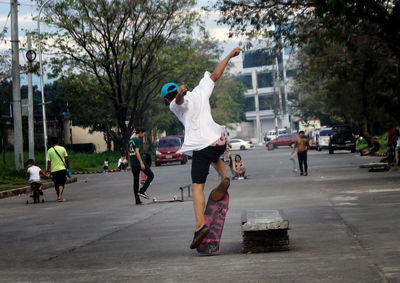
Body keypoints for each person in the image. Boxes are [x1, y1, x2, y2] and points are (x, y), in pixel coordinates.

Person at [161, 47, 242, 249]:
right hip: (219, 141)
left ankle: (199, 226)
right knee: (213, 152)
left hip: (201, 146)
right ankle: (224, 177)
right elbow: (216, 74)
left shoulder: (173, 104)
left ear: (166, 100)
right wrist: (230, 55)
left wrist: (179, 94)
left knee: (197, 186)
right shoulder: (200, 89)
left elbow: (178, 101)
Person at [128, 127, 154, 205]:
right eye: (143, 133)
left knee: (135, 181)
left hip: (133, 163)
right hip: (139, 162)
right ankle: (142, 191)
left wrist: (131, 163)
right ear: (140, 132)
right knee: (151, 175)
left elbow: (129, 153)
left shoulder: (130, 140)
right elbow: (137, 152)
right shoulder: (138, 140)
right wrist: (141, 163)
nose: (143, 134)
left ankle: (137, 201)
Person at [46, 137, 69, 202]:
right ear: (58, 142)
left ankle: (58, 196)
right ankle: (60, 196)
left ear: (52, 142)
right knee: (61, 183)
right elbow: (66, 158)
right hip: (62, 169)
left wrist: (48, 170)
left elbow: (48, 162)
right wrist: (67, 166)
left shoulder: (49, 150)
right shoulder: (62, 148)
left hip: (54, 170)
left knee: (56, 184)